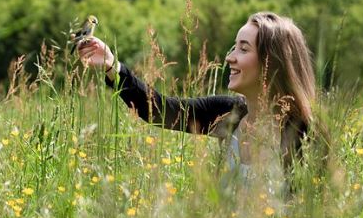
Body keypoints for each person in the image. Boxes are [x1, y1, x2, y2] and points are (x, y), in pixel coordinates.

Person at [77, 11, 326, 193]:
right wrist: (112, 66)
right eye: (233, 48)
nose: (230, 58)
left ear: (271, 61)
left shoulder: (305, 131)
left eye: (243, 49)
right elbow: (160, 110)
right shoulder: (229, 114)